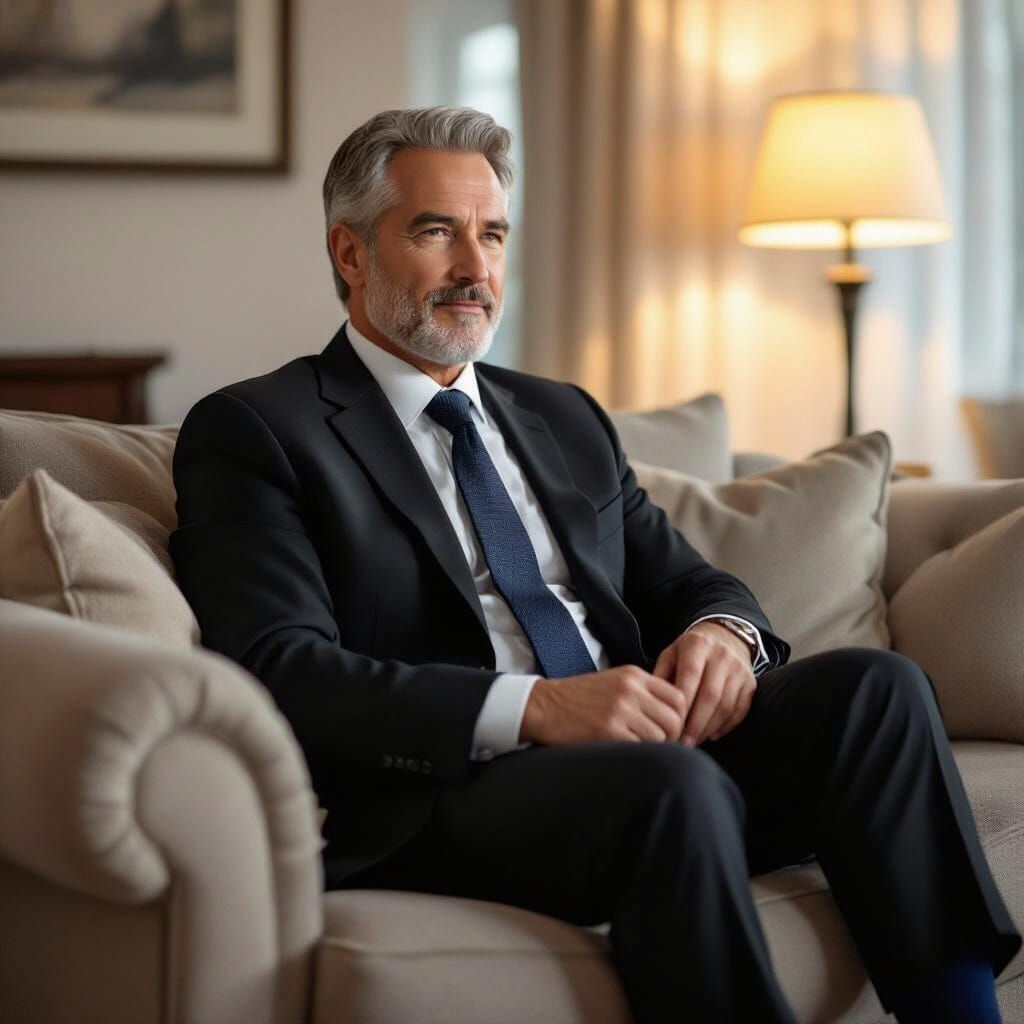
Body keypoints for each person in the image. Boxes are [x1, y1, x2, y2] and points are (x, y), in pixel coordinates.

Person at [169, 106, 1020, 1023]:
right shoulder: (261, 429)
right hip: (452, 793)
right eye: (435, 231)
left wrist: (721, 637)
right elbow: (278, 665)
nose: (475, 269)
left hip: (645, 760)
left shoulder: (562, 416)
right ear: (349, 253)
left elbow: (696, 581)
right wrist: (539, 707)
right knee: (672, 784)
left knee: (879, 691)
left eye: (492, 234)